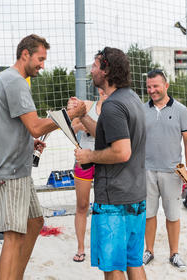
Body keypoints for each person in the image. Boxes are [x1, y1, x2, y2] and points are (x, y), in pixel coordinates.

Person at [0, 34, 86, 280]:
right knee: (12, 235)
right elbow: (37, 126)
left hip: (17, 168)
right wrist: (69, 115)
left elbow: (12, 125)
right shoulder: (16, 82)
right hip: (9, 171)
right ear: (25, 54)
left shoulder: (10, 80)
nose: (42, 64)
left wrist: (28, 142)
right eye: (40, 59)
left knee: (35, 222)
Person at [72, 47, 147, 279]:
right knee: (133, 261)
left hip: (114, 199)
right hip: (135, 194)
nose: (91, 70)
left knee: (113, 266)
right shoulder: (131, 98)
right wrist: (84, 115)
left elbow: (122, 151)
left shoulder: (113, 106)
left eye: (95, 65)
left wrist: (89, 156)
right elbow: (107, 135)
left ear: (106, 70)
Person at [142, 69, 187, 271]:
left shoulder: (181, 110)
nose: (152, 90)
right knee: (149, 214)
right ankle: (149, 250)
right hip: (146, 170)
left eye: (155, 86)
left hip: (174, 170)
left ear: (166, 86)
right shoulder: (141, 108)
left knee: (173, 215)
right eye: (149, 87)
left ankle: (174, 253)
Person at [72, 88, 107, 263]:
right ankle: (80, 247)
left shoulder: (115, 108)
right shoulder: (88, 105)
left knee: (103, 206)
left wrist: (92, 127)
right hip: (84, 160)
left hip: (104, 159)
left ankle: (101, 245)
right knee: (82, 205)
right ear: (100, 89)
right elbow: (72, 125)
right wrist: (83, 124)